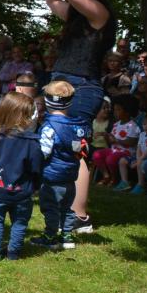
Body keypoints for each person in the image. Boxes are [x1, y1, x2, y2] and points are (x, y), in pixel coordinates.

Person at [45, 0, 117, 233]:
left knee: (76, 148)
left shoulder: (100, 14)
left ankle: (80, 215)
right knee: (59, 144)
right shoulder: (74, 16)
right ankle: (64, 205)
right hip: (61, 81)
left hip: (83, 86)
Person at [0, 92, 44, 260]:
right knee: (19, 223)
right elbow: (37, 168)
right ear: (24, 117)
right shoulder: (32, 142)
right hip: (22, 192)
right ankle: (13, 253)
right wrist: (35, 186)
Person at [30, 81, 92, 250]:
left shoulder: (49, 127)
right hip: (70, 175)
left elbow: (44, 152)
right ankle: (67, 237)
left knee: (50, 208)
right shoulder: (78, 126)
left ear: (47, 102)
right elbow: (82, 148)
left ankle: (50, 237)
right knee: (67, 208)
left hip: (51, 176)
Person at [92, 94, 139, 190]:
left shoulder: (132, 126)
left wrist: (116, 140)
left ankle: (115, 178)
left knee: (111, 158)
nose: (115, 112)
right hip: (114, 150)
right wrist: (106, 136)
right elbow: (111, 141)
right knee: (97, 155)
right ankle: (106, 176)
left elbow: (132, 142)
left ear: (128, 111)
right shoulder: (116, 124)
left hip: (126, 153)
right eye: (115, 109)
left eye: (118, 110)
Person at [127, 115, 147, 195]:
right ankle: (137, 184)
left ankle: (141, 184)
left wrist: (139, 161)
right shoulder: (142, 134)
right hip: (142, 157)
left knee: (141, 163)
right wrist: (138, 159)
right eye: (144, 124)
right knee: (134, 162)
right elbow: (138, 148)